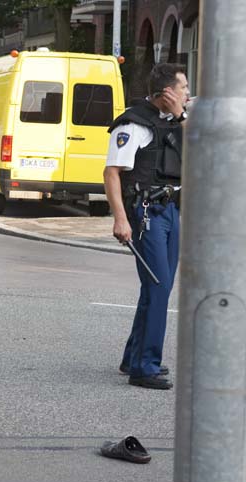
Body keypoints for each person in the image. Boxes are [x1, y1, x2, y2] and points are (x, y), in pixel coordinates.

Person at [103, 63, 189, 390]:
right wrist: (120, 218)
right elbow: (112, 173)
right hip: (147, 212)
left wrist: (180, 115)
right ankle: (144, 367)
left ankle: (134, 357)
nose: (187, 94)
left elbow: (203, 151)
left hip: (170, 211)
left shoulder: (174, 122)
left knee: (159, 288)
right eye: (183, 88)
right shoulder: (134, 124)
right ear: (167, 92)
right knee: (157, 287)